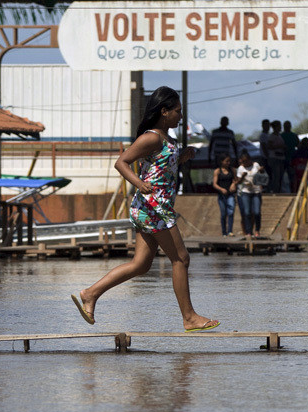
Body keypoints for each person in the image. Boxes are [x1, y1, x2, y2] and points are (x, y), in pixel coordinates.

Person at [71, 86, 219, 332]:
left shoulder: (166, 138)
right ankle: (189, 317)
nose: (181, 117)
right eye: (178, 111)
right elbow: (122, 162)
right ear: (164, 111)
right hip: (153, 208)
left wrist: (182, 157)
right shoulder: (151, 137)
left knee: (141, 265)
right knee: (180, 258)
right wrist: (139, 183)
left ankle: (91, 293)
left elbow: (159, 166)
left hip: (153, 207)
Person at [235, 150, 264, 238]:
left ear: (250, 160)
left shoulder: (255, 165)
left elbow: (261, 175)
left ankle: (257, 230)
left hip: (256, 191)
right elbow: (238, 182)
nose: (245, 163)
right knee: (246, 212)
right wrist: (243, 176)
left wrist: (262, 171)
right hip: (246, 191)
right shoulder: (241, 168)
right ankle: (248, 231)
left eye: (246, 161)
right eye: (243, 162)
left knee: (257, 212)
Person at [212, 154, 237, 236]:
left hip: (230, 194)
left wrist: (233, 184)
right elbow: (214, 184)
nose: (228, 163)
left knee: (231, 212)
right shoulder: (218, 171)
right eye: (226, 161)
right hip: (222, 195)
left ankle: (230, 230)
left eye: (229, 161)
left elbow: (236, 180)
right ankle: (224, 232)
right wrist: (221, 189)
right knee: (223, 213)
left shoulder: (232, 170)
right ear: (222, 161)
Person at [265, 120, 287, 193]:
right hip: (274, 157)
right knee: (276, 176)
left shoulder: (279, 136)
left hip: (281, 157)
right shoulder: (272, 136)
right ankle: (275, 190)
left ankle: (279, 190)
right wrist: (279, 146)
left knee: (280, 176)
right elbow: (269, 146)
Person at [281, 121, 299, 192]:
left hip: (292, 159)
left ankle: (293, 190)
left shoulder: (294, 135)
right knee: (282, 177)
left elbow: (298, 145)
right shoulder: (281, 136)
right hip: (283, 159)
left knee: (292, 176)